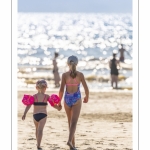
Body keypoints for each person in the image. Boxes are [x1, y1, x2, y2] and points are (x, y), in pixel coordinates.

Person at [58, 55, 89, 150]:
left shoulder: (64, 75)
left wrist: (59, 102)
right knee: (74, 122)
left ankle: (73, 145)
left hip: (67, 98)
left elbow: (61, 90)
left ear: (68, 64)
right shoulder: (80, 75)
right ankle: (70, 141)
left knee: (69, 122)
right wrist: (87, 96)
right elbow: (86, 88)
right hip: (76, 98)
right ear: (77, 64)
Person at [22, 79, 62, 150]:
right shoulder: (46, 96)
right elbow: (53, 105)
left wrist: (24, 113)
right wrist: (58, 108)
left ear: (36, 88)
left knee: (37, 129)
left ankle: (38, 143)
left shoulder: (34, 96)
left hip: (35, 115)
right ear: (45, 88)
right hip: (43, 115)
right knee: (40, 130)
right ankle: (39, 145)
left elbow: (28, 106)